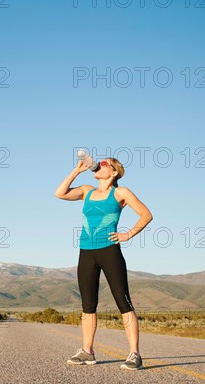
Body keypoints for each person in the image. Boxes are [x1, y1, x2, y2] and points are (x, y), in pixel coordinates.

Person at [55, 157, 153, 370]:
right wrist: (76, 171)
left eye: (105, 164)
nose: (99, 165)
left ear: (114, 172)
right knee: (88, 305)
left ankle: (134, 354)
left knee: (123, 301)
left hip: (109, 251)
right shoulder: (86, 191)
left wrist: (128, 234)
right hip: (86, 252)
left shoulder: (121, 193)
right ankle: (87, 351)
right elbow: (60, 193)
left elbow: (146, 215)